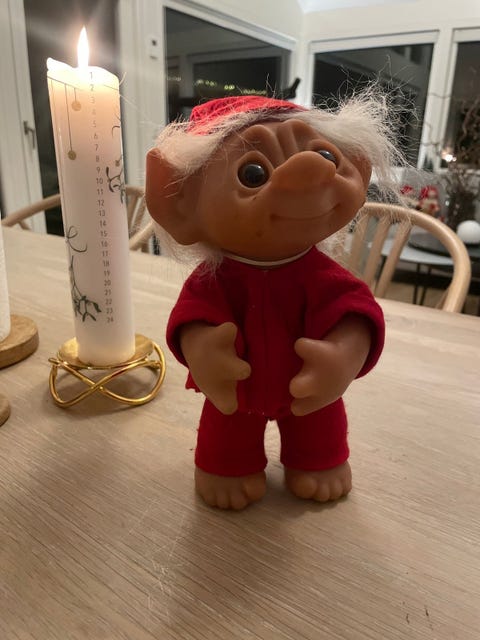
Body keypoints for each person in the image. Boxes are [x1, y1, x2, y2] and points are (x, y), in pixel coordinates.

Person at [145, 93, 402, 510]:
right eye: (253, 173)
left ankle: (316, 460)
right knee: (227, 436)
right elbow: (192, 318)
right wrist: (203, 352)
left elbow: (356, 316)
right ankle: (227, 466)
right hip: (235, 393)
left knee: (318, 434)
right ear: (179, 202)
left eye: (325, 155)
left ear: (357, 165)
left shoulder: (324, 277)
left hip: (312, 395)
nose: (312, 172)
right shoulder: (215, 281)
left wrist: (343, 357)